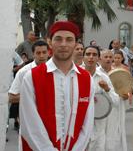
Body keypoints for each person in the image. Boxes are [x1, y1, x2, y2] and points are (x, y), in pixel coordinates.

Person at [20, 21, 94, 150]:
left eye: (69, 39)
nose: (63, 44)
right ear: (50, 42)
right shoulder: (31, 77)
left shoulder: (86, 79)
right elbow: (29, 123)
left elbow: (87, 124)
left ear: (76, 44)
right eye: (58, 39)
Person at [83, 45, 118, 150]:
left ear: (98, 58)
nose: (91, 57)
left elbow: (116, 102)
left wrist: (107, 89)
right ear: (83, 57)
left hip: (99, 126)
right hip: (80, 126)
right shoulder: (76, 75)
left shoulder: (104, 78)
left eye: (94, 55)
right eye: (88, 54)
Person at [99, 49, 130, 151]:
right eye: (105, 57)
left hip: (115, 108)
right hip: (101, 109)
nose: (108, 59)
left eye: (110, 57)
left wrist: (126, 95)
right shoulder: (96, 73)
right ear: (100, 59)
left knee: (113, 136)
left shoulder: (118, 73)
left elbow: (125, 89)